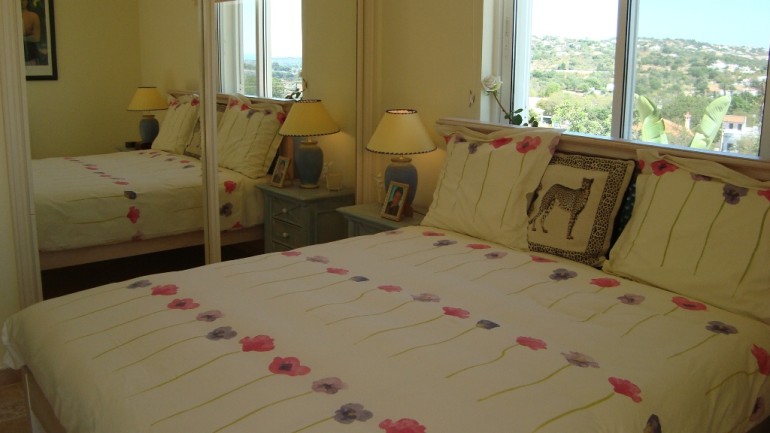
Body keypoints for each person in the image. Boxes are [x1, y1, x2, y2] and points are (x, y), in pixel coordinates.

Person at [21, 0, 41, 65]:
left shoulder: (33, 16)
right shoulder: (10, 17)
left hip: (30, 55)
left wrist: (22, 38)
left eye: (23, 0)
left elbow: (37, 38)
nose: (21, 2)